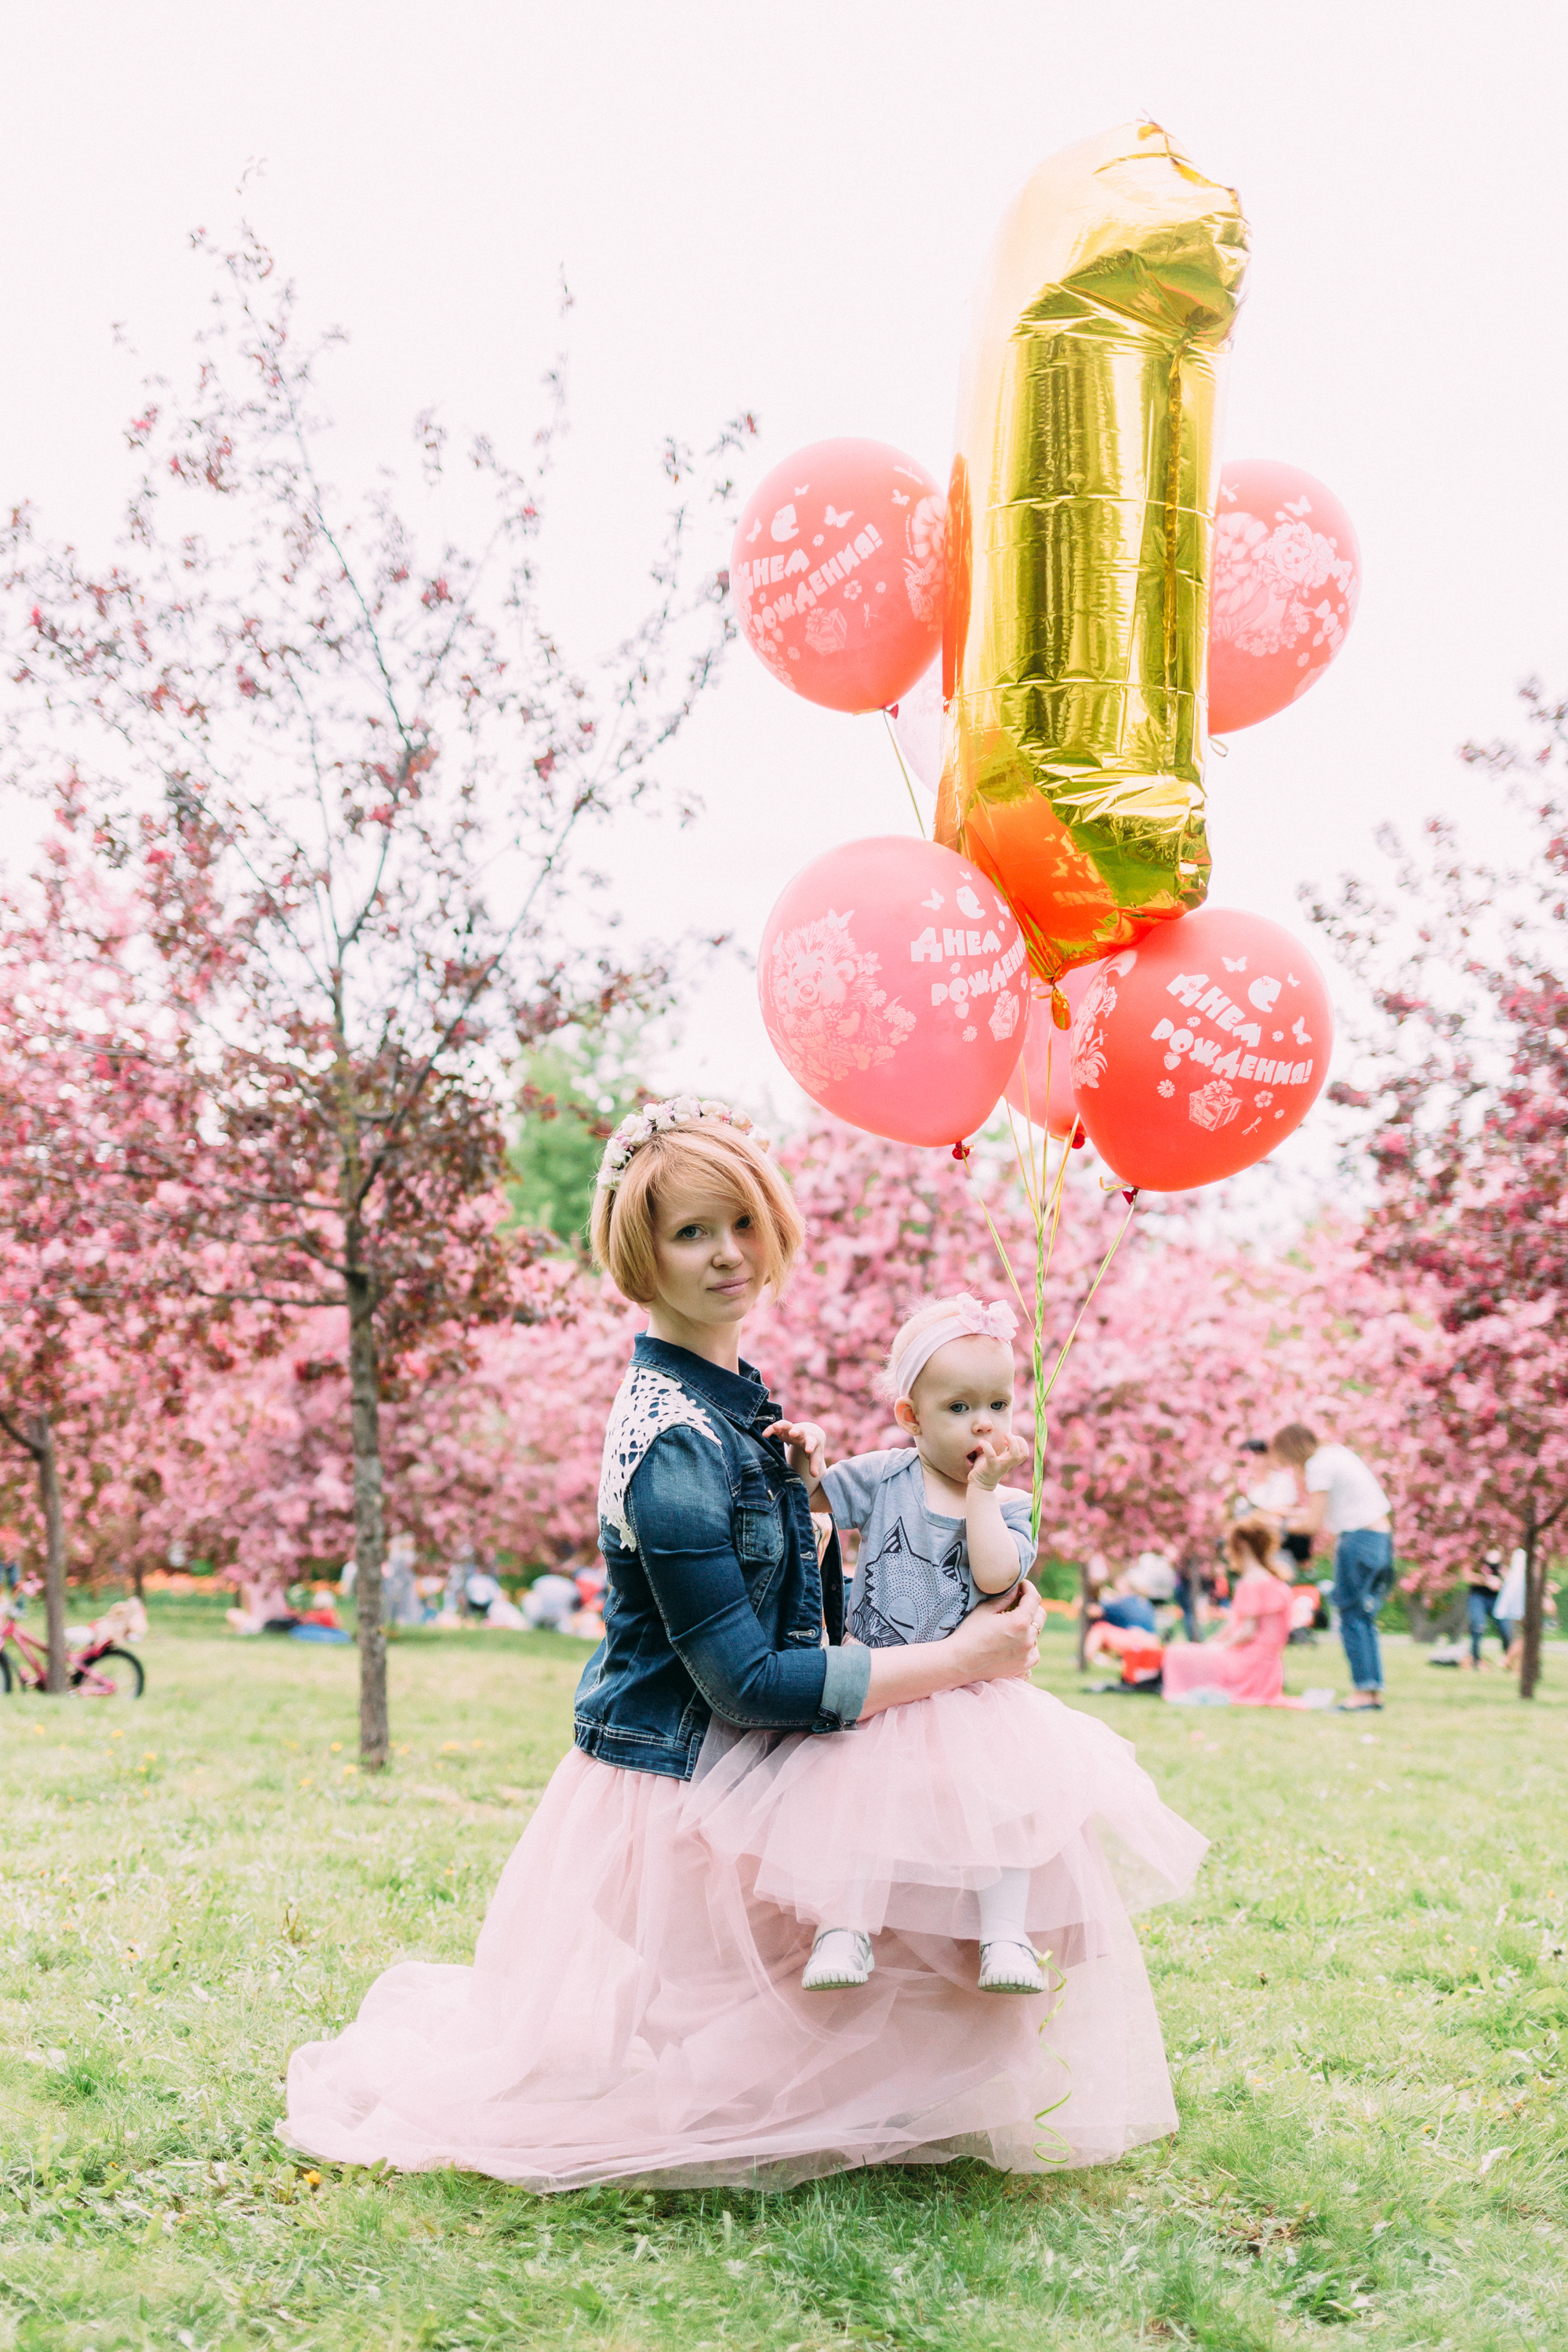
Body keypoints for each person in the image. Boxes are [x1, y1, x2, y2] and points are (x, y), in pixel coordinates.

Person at [284, 1096, 1204, 2185]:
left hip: (757, 1761)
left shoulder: (732, 1401)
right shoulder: (674, 1440)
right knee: (788, 2057)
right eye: (688, 1232)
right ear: (642, 1250)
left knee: (966, 1904)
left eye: (742, 1223)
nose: (727, 1255)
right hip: (681, 1784)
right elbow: (746, 1681)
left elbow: (804, 1597)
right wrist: (958, 1665)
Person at [724, 1293, 1200, 1997]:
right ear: (912, 1419)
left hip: (975, 1697)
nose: (984, 1422)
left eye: (999, 1405)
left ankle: (1004, 1938)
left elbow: (996, 1571)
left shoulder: (1008, 1503)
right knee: (853, 1799)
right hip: (883, 1679)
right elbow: (814, 1505)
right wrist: (807, 1461)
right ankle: (842, 1928)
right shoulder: (886, 1474)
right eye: (958, 1408)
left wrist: (981, 1493)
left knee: (1001, 1809)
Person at [1272, 1423, 1392, 1712]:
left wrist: (1272, 1525)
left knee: (1351, 1615)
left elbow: (1312, 1524)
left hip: (1358, 1540)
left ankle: (1361, 1694)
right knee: (1362, 1617)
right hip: (1378, 1537)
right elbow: (1318, 1515)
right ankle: (1371, 1691)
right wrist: (1285, 1516)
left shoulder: (1318, 1466)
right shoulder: (1334, 1455)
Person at [1161, 1525, 1294, 1706]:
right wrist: (1212, 1645)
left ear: (1241, 1546)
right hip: (1266, 1669)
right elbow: (1234, 1626)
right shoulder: (1268, 1580)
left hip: (1249, 1666)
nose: (1225, 1552)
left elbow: (1246, 1632)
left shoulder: (1252, 1581)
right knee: (1190, 1652)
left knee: (1175, 1653)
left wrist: (1219, 1647)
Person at [1463, 1549, 1507, 1671]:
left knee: (1505, 1629)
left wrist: (1502, 1581)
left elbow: (1510, 1576)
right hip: (1478, 1597)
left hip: (1497, 1598)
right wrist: (1486, 1580)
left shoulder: (1505, 1554)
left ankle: (1509, 1659)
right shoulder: (1475, 1556)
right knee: (1478, 1626)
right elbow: (1467, 1576)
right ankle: (1475, 1660)